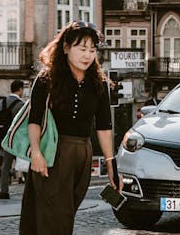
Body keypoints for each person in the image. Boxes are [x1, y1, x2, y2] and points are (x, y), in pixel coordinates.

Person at [19, 21, 123, 234]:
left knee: (65, 213)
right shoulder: (47, 79)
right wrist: (36, 152)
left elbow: (103, 126)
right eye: (82, 49)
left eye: (92, 50)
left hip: (82, 156)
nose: (87, 55)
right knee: (56, 216)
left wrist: (112, 165)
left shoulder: (99, 83)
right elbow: (35, 119)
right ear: (66, 48)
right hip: (51, 154)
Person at [0, 79, 25, 199]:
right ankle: (30, 190)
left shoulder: (1, 102)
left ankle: (4, 190)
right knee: (25, 162)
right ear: (20, 89)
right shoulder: (21, 104)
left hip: (5, 138)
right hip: (17, 139)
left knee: (6, 165)